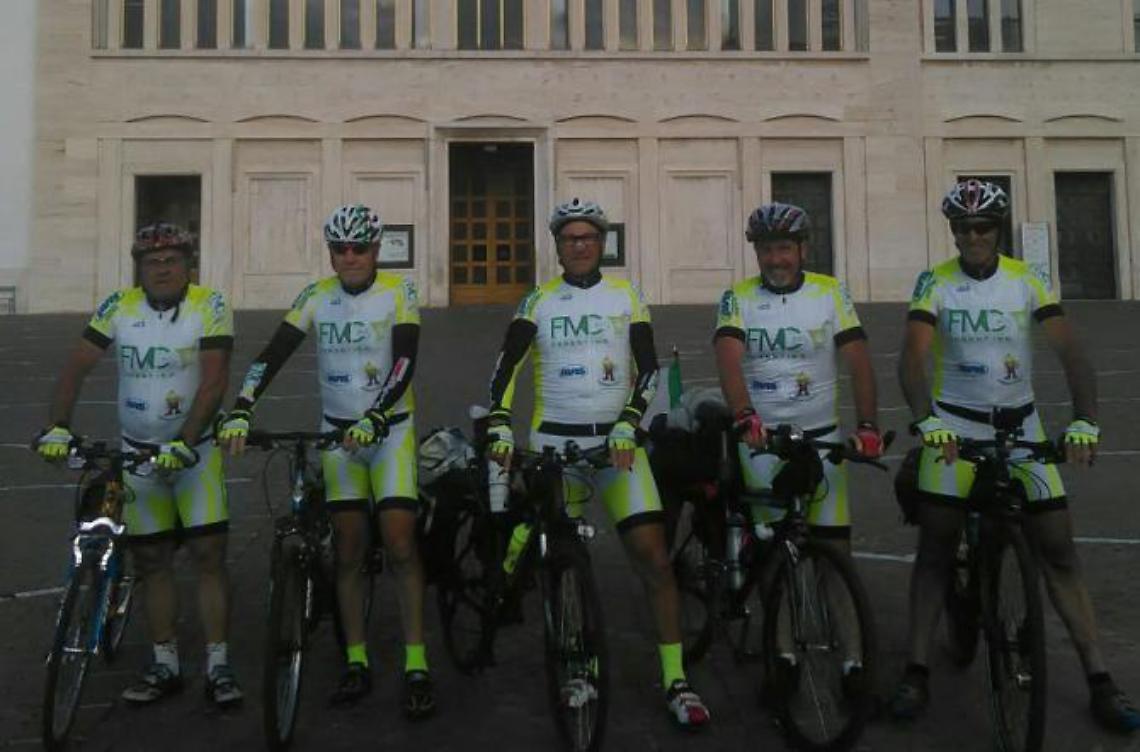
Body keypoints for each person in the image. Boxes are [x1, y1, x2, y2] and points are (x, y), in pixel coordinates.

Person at [890, 179, 1140, 733]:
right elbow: (912, 357)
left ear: (998, 231)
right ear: (953, 232)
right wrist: (927, 419)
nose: (973, 237)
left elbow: (1071, 351)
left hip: (1020, 425)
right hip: (954, 427)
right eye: (963, 228)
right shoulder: (935, 282)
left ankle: (1100, 677)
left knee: (1058, 548)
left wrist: (1083, 419)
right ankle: (916, 668)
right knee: (936, 543)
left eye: (982, 227)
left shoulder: (1028, 280)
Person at [485, 198, 710, 729]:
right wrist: (498, 419)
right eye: (569, 239)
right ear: (558, 246)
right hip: (553, 448)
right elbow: (506, 367)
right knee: (566, 565)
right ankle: (577, 663)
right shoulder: (537, 300)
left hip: (616, 446)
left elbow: (650, 370)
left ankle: (676, 677)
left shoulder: (626, 296)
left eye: (587, 238)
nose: (579, 246)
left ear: (601, 244)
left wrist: (630, 421)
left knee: (653, 557)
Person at [217, 204, 434, 719]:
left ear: (377, 251)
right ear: (331, 253)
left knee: (401, 541)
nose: (350, 257)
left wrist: (380, 414)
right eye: (341, 249)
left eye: (360, 248)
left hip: (388, 434)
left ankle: (418, 663)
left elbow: (405, 358)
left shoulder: (398, 292)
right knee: (350, 549)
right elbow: (273, 353)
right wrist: (242, 408)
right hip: (337, 436)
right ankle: (356, 658)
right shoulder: (317, 295)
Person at [36, 223, 241, 707]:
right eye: (152, 262)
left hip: (194, 452)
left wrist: (186, 442)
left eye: (172, 260)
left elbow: (213, 383)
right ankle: (165, 662)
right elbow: (76, 366)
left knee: (209, 555)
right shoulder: (118, 307)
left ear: (188, 265)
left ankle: (218, 664)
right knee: (152, 562)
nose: (162, 268)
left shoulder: (209, 305)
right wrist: (58, 426)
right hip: (138, 453)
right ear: (140, 270)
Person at [713, 201, 884, 686]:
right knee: (774, 552)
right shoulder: (737, 297)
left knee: (835, 552)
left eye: (784, 248)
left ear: (803, 249)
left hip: (821, 438)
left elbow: (859, 361)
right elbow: (728, 356)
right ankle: (783, 651)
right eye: (767, 249)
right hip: (762, 440)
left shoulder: (831, 293)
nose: (775, 259)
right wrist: (744, 413)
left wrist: (868, 425)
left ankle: (853, 658)